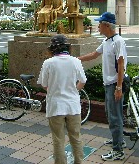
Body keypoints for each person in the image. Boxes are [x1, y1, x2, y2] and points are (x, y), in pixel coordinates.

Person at [78, 12, 127, 161]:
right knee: (111, 114)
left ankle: (118, 150)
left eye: (100, 23)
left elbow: (121, 64)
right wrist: (75, 59)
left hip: (115, 85)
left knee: (114, 117)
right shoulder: (107, 41)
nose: (98, 26)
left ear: (106, 25)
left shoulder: (118, 41)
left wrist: (119, 88)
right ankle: (118, 140)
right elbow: (94, 54)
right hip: (109, 84)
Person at [37, 34, 87, 164]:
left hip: (55, 106)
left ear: (52, 48)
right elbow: (83, 81)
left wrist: (53, 90)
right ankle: (79, 162)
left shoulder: (48, 63)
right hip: (73, 106)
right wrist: (74, 91)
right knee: (75, 137)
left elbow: (44, 84)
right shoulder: (75, 61)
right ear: (67, 47)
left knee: (58, 139)